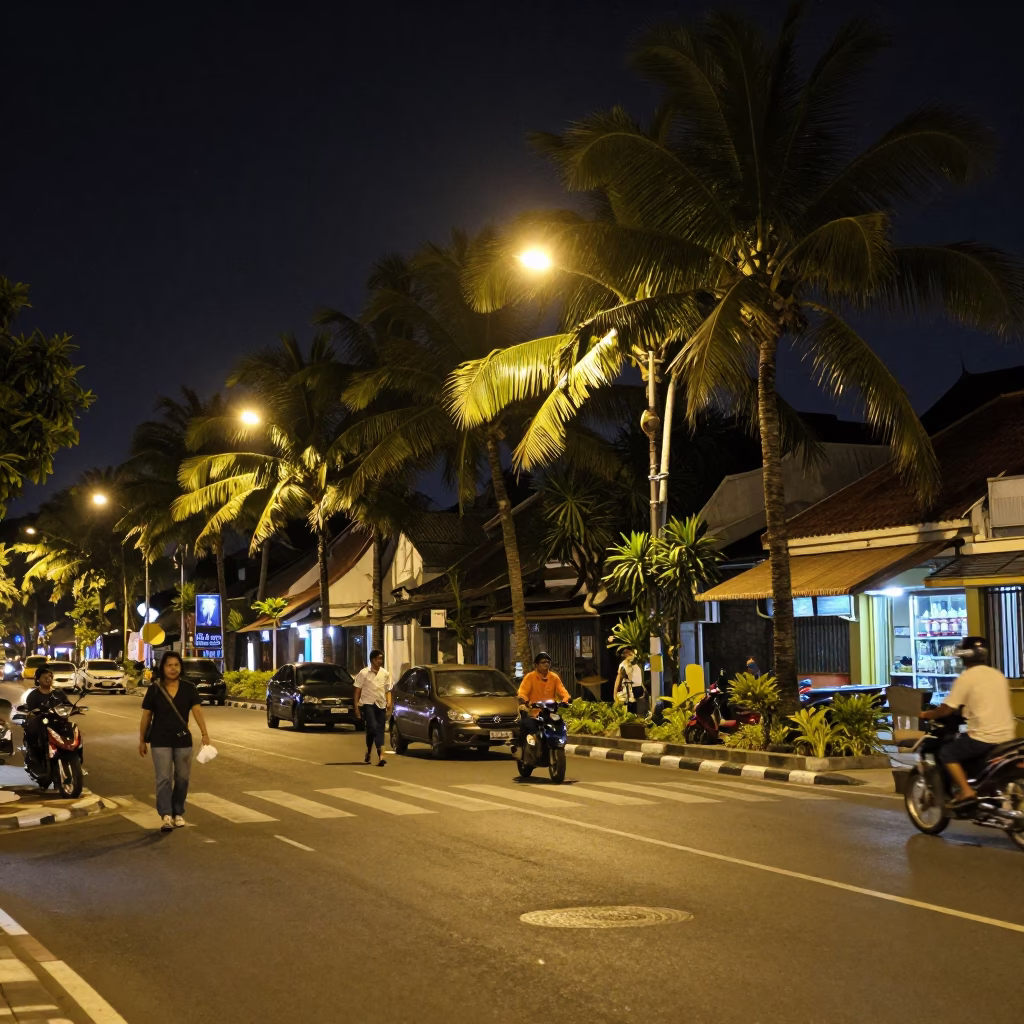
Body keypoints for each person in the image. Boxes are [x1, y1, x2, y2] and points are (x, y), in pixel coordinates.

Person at [920, 636, 1016, 808]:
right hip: (1007, 736)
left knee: (947, 753)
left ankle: (966, 790)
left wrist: (927, 714)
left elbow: (946, 709)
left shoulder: (966, 678)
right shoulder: (998, 675)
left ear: (964, 655)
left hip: (984, 737)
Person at [139, 651, 211, 831]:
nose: (173, 668)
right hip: (160, 739)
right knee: (163, 778)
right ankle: (166, 815)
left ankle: (178, 812)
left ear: (181, 667)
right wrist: (142, 740)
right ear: (163, 667)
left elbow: (197, 711)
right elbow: (146, 715)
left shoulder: (189, 688)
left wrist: (204, 733)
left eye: (176, 665)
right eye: (169, 665)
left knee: (183, 778)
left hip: (182, 740)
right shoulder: (154, 689)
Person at [517, 652, 570, 747]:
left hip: (549, 712)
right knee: (529, 727)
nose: (546, 664)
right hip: (533, 712)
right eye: (543, 662)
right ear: (536, 665)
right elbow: (522, 692)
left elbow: (563, 691)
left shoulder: (554, 677)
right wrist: (524, 700)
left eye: (548, 662)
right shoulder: (530, 677)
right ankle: (527, 749)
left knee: (559, 726)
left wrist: (566, 700)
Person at [24, 665, 71, 768]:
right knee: (32, 729)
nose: (48, 678)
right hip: (42, 724)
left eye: (50, 676)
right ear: (37, 679)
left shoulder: (58, 693)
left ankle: (75, 760)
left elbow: (68, 705)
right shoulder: (33, 695)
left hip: (58, 724)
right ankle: (34, 758)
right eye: (44, 676)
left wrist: (74, 708)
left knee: (73, 730)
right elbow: (30, 710)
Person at [354, 649, 393, 767]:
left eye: (381, 659)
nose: (380, 661)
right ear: (372, 660)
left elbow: (388, 690)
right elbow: (357, 690)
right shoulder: (363, 673)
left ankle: (380, 756)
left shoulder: (385, 674)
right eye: (378, 659)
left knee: (379, 729)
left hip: (381, 704)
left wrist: (389, 703)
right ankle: (372, 751)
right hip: (368, 704)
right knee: (372, 727)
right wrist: (356, 707)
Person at [613, 647, 645, 714]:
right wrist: (615, 694)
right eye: (627, 652)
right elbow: (618, 679)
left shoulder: (637, 663)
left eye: (631, 651)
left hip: (638, 696)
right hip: (629, 697)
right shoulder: (623, 665)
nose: (630, 653)